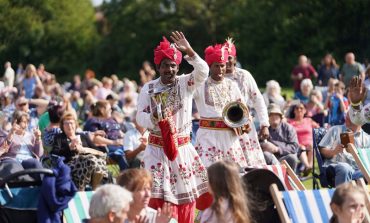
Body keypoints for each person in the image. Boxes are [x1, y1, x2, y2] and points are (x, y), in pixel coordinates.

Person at [136, 31, 209, 223]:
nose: (169, 69)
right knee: (155, 196)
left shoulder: (186, 83)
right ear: (158, 67)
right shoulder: (148, 88)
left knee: (185, 199)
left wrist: (190, 51)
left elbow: (203, 71)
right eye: (165, 65)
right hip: (156, 150)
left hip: (182, 150)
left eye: (173, 65)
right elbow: (139, 117)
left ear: (178, 66)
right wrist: (152, 118)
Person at [193, 43, 248, 168]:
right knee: (208, 173)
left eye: (222, 66)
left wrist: (244, 125)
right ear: (209, 67)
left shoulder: (232, 85)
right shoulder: (200, 85)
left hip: (229, 137)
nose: (220, 69)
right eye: (216, 66)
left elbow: (243, 110)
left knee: (233, 174)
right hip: (207, 136)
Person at [223, 38, 269, 165]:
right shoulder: (216, 78)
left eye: (230, 58)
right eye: (224, 58)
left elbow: (258, 100)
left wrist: (264, 124)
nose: (227, 61)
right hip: (223, 127)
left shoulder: (245, 75)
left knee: (251, 162)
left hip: (245, 126)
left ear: (235, 60)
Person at [51, 113, 108, 190]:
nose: (69, 125)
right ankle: (86, 189)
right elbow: (54, 153)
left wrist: (84, 149)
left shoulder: (83, 136)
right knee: (91, 159)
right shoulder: (59, 138)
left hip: (88, 162)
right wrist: (70, 148)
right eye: (66, 123)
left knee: (96, 159)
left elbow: (96, 150)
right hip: (69, 164)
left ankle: (94, 188)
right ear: (62, 126)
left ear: (75, 124)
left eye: (71, 123)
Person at [319, 113, 369, 186]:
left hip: (357, 170)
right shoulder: (335, 130)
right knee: (345, 167)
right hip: (335, 167)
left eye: (351, 115)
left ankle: (361, 196)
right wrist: (334, 152)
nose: (347, 116)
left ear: (360, 120)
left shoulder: (367, 138)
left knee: (365, 172)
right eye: (347, 114)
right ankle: (341, 196)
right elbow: (322, 150)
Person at [84, 100, 127, 171]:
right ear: (102, 109)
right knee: (123, 153)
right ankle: (126, 179)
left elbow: (120, 133)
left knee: (134, 151)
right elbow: (95, 138)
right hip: (106, 148)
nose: (111, 110)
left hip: (119, 145)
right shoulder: (93, 121)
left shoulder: (111, 120)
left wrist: (129, 138)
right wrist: (114, 142)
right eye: (109, 109)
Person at [0, 111, 44, 180]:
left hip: (27, 160)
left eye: (27, 122)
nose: (26, 125)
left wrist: (38, 139)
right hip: (13, 161)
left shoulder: (31, 136)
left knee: (35, 162)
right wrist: (11, 133)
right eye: (23, 122)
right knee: (15, 166)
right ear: (16, 122)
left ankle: (45, 185)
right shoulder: (6, 134)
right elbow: (3, 149)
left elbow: (39, 154)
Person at [261, 103, 299, 170]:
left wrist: (277, 149)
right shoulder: (263, 129)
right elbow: (256, 144)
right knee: (266, 155)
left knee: (292, 158)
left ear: (281, 117)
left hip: (285, 156)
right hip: (270, 157)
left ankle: (287, 179)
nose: (274, 117)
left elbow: (294, 147)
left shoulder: (289, 128)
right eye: (271, 115)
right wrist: (263, 145)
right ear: (267, 117)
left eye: (276, 115)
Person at [288, 102, 320, 174]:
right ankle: (308, 166)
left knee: (311, 146)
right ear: (294, 111)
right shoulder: (290, 122)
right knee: (302, 148)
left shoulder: (308, 120)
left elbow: (319, 129)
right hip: (297, 144)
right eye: (297, 108)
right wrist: (286, 107)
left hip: (309, 144)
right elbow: (282, 120)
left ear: (305, 111)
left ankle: (309, 166)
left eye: (301, 108)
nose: (299, 110)